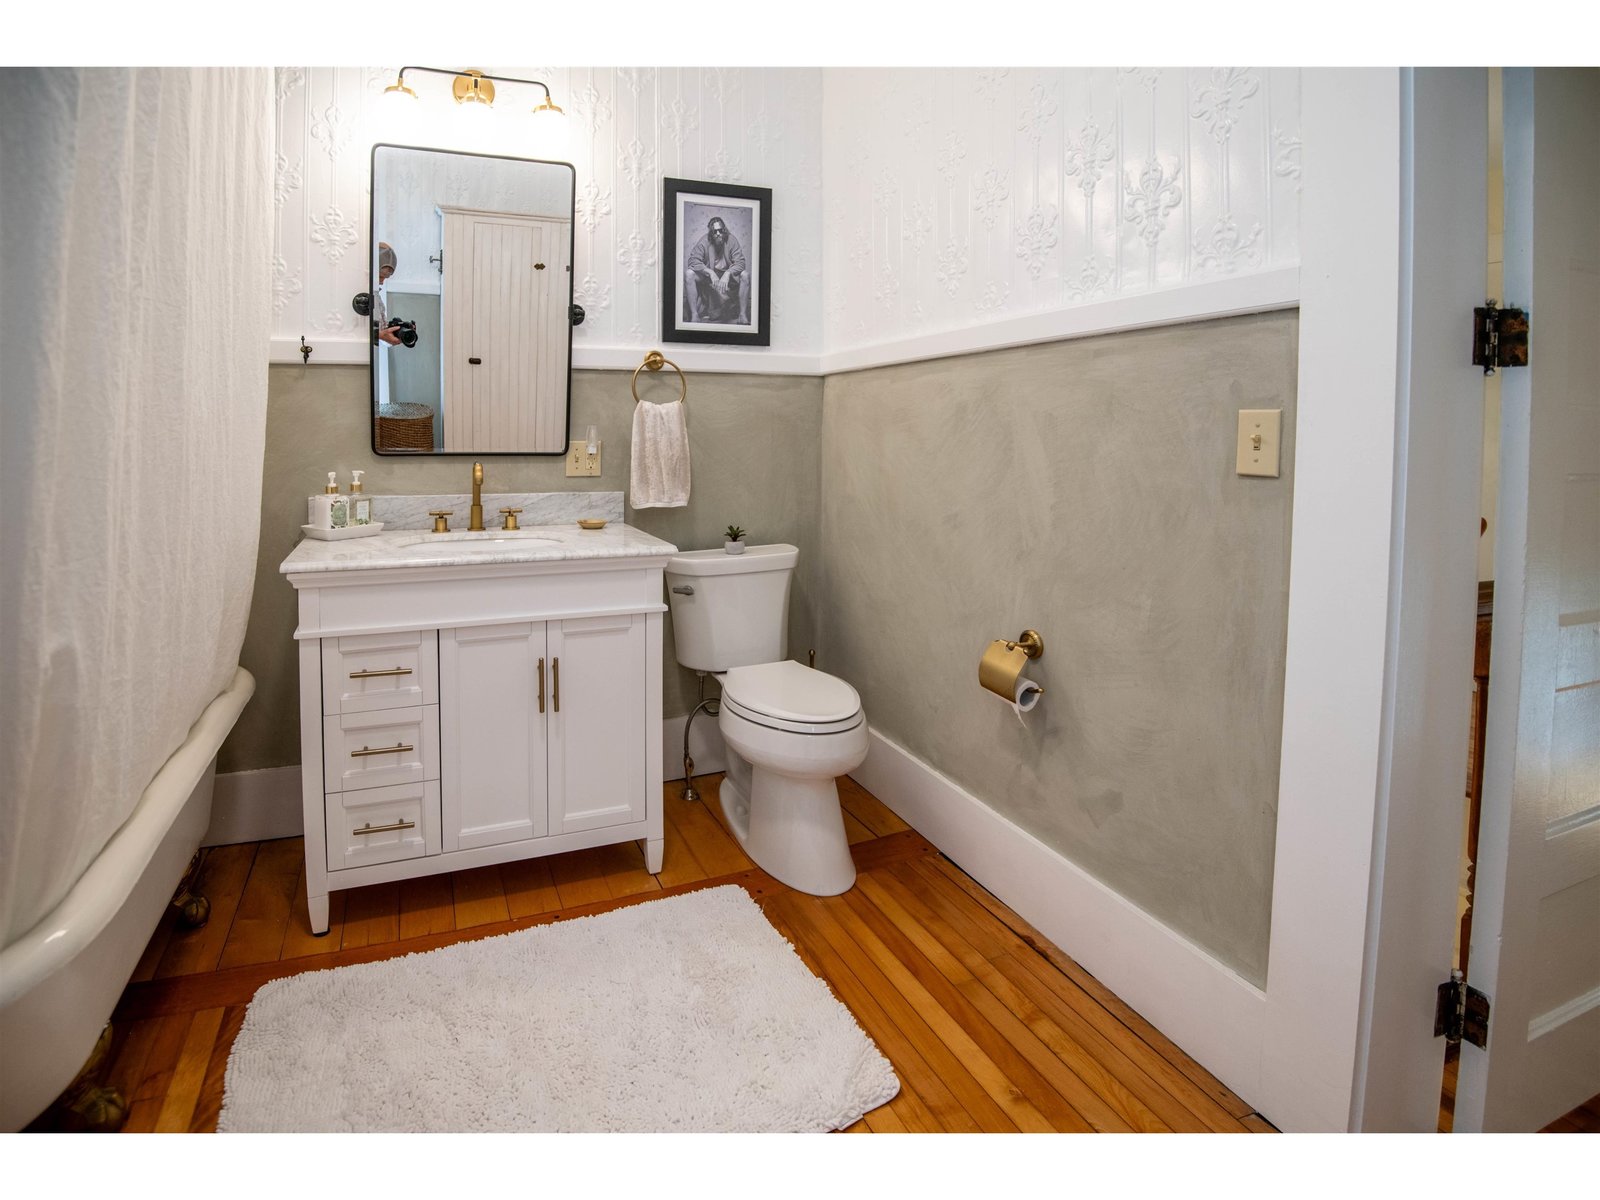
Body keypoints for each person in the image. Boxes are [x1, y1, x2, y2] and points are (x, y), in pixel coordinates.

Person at [682, 216, 749, 324]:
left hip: (729, 279)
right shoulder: (704, 241)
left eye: (720, 230)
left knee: (745, 275)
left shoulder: (732, 240)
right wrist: (710, 272)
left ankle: (742, 315)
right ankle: (694, 315)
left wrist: (728, 273)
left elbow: (741, 263)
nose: (718, 234)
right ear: (711, 233)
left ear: (724, 230)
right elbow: (692, 261)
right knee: (689, 273)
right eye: (715, 231)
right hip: (709, 279)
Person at [375, 242, 405, 345]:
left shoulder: (375, 295)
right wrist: (378, 335)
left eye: (385, 278)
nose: (382, 282)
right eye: (380, 277)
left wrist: (397, 330)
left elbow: (380, 329)